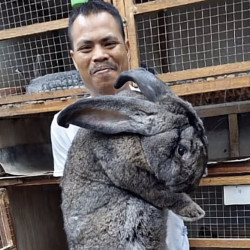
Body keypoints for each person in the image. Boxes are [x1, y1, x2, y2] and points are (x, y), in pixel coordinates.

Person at [50, 0, 189, 249]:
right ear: (73, 57)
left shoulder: (162, 108)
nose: (99, 55)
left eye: (109, 43)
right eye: (86, 47)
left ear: (126, 46)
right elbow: (75, 202)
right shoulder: (66, 124)